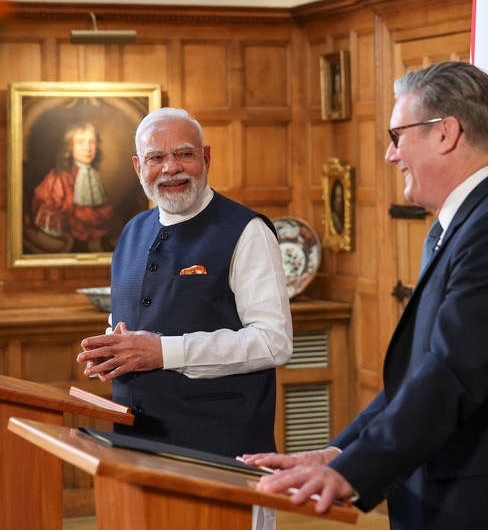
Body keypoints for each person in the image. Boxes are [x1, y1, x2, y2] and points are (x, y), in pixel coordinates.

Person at [243, 61, 488, 529]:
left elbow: (451, 373)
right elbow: (418, 375)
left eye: (397, 135)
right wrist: (338, 452)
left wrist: (352, 472)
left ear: (445, 133)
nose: (390, 154)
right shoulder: (464, 224)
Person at [77, 107, 293, 530]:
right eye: (157, 157)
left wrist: (161, 352)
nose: (171, 168)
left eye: (184, 154)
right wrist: (113, 349)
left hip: (221, 454)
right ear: (139, 167)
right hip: (134, 449)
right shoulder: (132, 232)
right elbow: (136, 319)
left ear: (206, 157)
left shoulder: (247, 232)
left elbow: (273, 342)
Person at [30, 121, 115, 251]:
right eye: (81, 142)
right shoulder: (60, 176)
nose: (88, 148)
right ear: (69, 147)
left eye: (92, 142)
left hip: (90, 231)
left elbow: (101, 208)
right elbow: (61, 210)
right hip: (63, 232)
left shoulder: (92, 174)